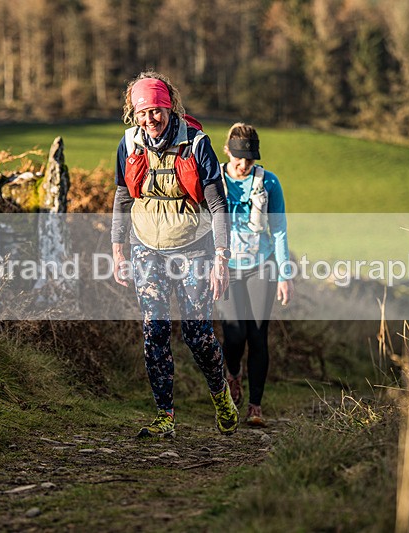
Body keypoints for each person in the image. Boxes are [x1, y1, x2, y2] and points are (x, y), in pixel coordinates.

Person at [111, 71, 238, 438]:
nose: (150, 119)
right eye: (143, 112)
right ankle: (164, 415)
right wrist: (118, 250)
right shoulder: (129, 143)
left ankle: (220, 395)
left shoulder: (196, 143)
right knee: (155, 331)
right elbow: (122, 197)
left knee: (198, 336)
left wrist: (221, 260)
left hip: (194, 249)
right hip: (145, 248)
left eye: (157, 111)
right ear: (133, 114)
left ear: (170, 108)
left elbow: (217, 203)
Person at [216, 123, 293, 428]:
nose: (244, 166)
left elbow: (280, 231)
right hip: (226, 268)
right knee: (234, 335)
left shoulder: (269, 183)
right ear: (227, 152)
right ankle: (233, 374)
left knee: (258, 336)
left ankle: (255, 406)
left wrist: (285, 274)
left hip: (263, 266)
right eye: (238, 160)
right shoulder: (215, 181)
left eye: (249, 160)